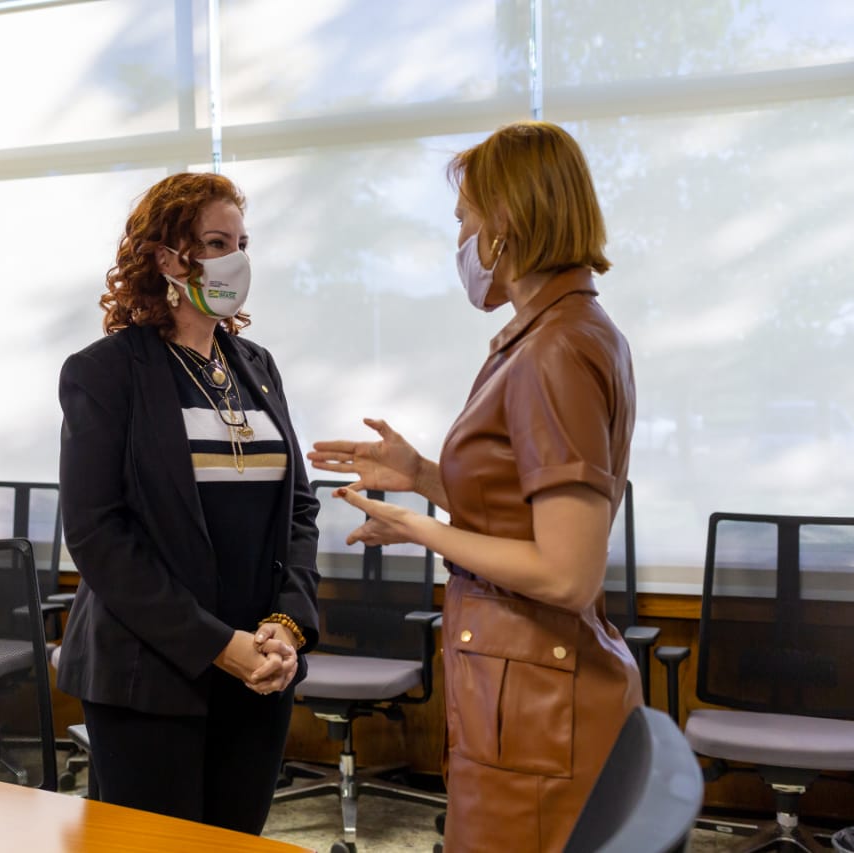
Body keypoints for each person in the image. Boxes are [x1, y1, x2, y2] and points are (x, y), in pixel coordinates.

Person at [309, 121, 640, 852]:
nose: (459, 239)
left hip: (536, 701)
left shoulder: (556, 349)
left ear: (505, 224)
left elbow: (566, 572)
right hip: (518, 685)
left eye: (465, 219)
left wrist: (418, 526)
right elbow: (521, 512)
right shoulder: (553, 333)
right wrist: (424, 478)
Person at [56, 171, 320, 835]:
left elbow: (298, 510)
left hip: (258, 670)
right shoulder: (105, 371)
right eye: (217, 242)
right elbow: (95, 534)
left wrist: (288, 626)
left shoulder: (257, 366)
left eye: (242, 243)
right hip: (149, 675)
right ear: (167, 258)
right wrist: (217, 644)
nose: (237, 259)